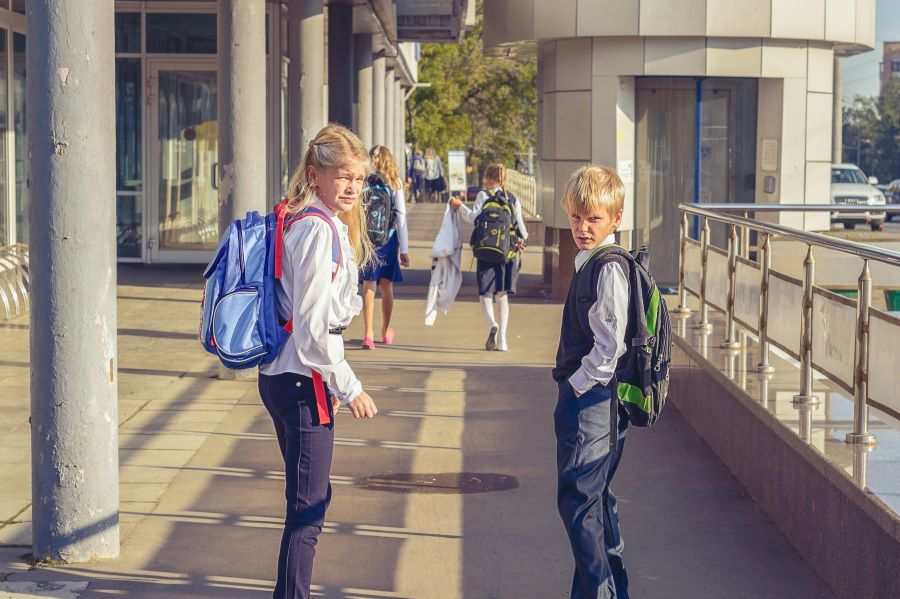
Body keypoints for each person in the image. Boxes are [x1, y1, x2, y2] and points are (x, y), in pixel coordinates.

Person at [258, 123, 379, 599]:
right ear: (315, 174)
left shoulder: (310, 222)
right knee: (308, 509)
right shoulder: (315, 230)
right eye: (343, 176)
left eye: (359, 179)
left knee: (306, 502)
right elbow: (312, 333)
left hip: (284, 376)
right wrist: (351, 388)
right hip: (302, 381)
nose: (352, 187)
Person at [551, 165, 631, 599]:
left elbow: (609, 347)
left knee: (580, 504)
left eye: (594, 219)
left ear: (615, 219)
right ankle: (612, 590)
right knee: (595, 501)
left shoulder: (608, 268)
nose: (583, 227)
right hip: (593, 399)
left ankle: (599, 593)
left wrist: (576, 387)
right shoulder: (593, 262)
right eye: (577, 217)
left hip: (593, 401)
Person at [449, 164, 527, 351]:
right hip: (506, 253)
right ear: (504, 179)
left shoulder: (483, 196)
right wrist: (520, 241)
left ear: (487, 177)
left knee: (485, 294)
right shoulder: (512, 200)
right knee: (502, 295)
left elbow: (474, 218)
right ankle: (503, 341)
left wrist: (459, 206)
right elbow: (522, 231)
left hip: (485, 251)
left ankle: (493, 323)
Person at [359, 144, 410, 349]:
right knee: (386, 285)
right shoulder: (394, 182)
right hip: (388, 239)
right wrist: (404, 250)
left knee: (368, 285)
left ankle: (368, 334)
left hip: (368, 240)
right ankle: (385, 331)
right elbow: (400, 216)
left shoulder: (364, 180)